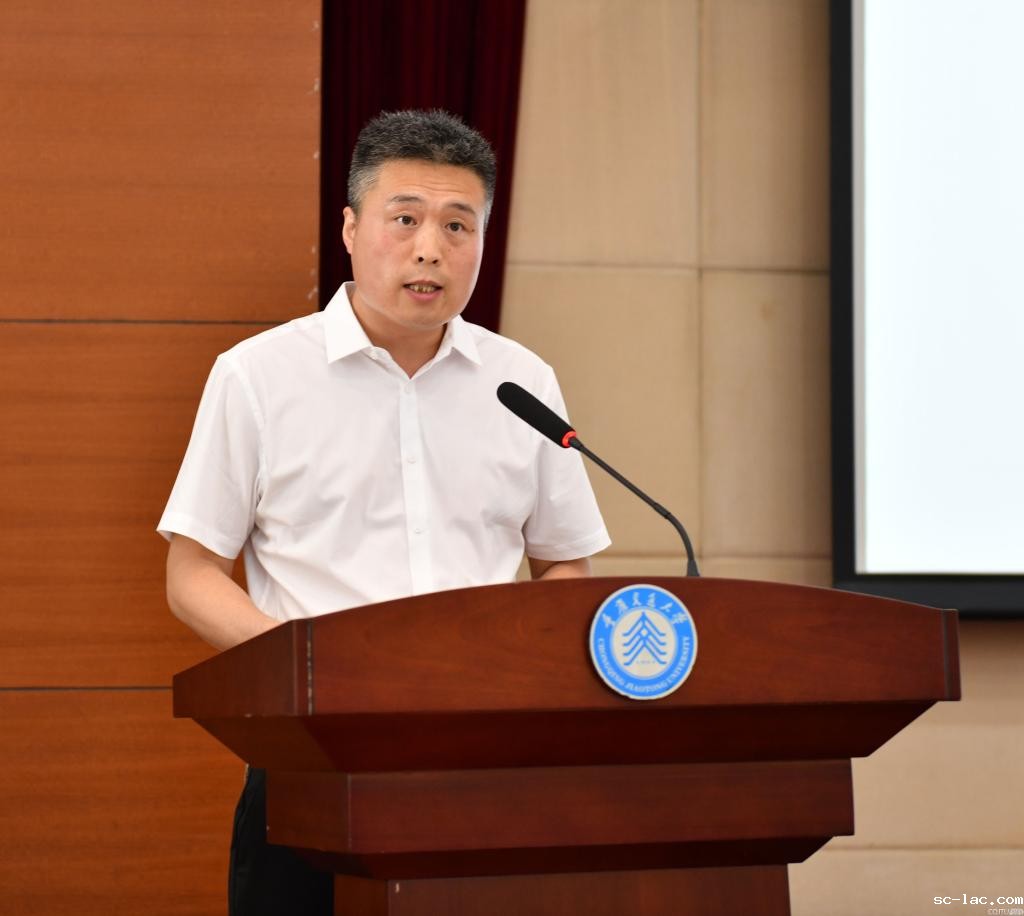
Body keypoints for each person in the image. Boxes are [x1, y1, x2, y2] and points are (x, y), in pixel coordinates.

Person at [158, 109, 610, 915]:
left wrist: (522, 672)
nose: (430, 248)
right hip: (312, 759)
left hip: (486, 760)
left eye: (458, 225)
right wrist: (311, 667)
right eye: (405, 219)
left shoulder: (522, 383)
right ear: (350, 228)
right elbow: (191, 575)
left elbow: (564, 563)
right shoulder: (258, 376)